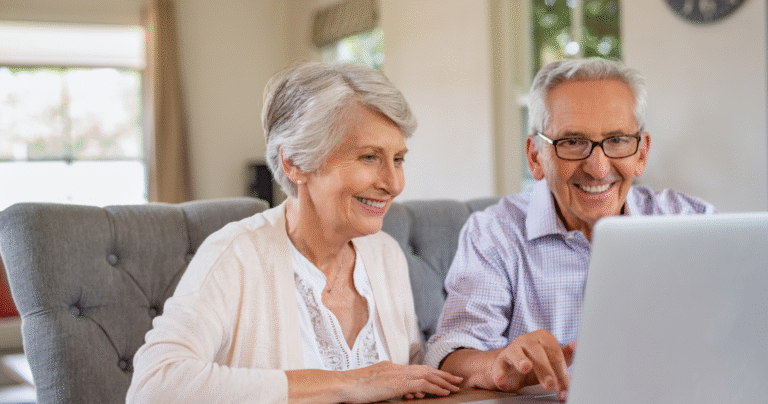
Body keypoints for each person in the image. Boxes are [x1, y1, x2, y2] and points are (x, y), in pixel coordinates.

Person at [127, 62, 462, 404]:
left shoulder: (385, 254)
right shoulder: (235, 254)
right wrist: (349, 383)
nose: (393, 184)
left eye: (399, 159)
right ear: (295, 163)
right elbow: (153, 386)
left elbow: (405, 381)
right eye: (369, 157)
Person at [424, 58, 716, 402]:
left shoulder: (693, 220)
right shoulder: (494, 233)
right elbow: (453, 352)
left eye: (618, 140)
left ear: (641, 152)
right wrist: (497, 366)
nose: (597, 167)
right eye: (573, 141)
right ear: (535, 156)